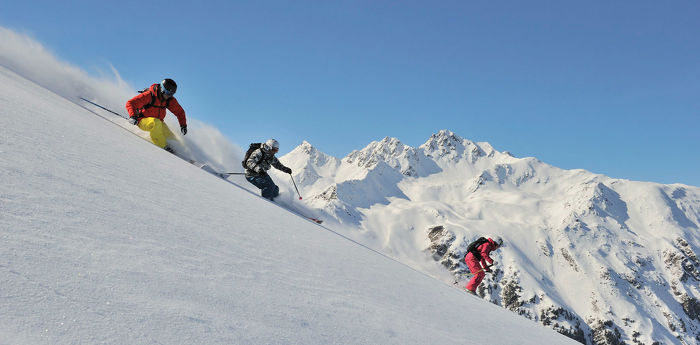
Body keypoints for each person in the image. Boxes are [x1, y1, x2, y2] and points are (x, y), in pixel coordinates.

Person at [125, 78, 188, 151]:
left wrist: (183, 125)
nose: (169, 96)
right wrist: (132, 116)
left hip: (159, 122)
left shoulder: (169, 100)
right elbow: (130, 103)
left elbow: (180, 112)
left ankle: (180, 152)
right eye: (167, 93)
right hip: (142, 120)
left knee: (172, 138)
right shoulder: (149, 95)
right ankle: (163, 147)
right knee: (156, 123)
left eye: (171, 94)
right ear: (162, 90)